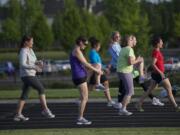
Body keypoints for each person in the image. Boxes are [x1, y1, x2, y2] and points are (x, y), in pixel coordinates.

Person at [14, 35, 55, 122]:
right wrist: (34, 67)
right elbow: (23, 64)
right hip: (27, 75)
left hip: (31, 75)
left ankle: (18, 115)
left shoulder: (30, 50)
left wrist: (38, 62)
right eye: (31, 41)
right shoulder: (23, 51)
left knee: (24, 95)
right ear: (26, 42)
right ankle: (45, 110)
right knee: (41, 88)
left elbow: (34, 61)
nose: (33, 42)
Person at [136, 36, 180, 112]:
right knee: (169, 90)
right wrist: (161, 72)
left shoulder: (156, 51)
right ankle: (176, 107)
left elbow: (157, 63)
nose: (162, 43)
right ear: (157, 43)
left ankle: (139, 103)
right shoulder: (156, 52)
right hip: (159, 75)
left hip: (156, 74)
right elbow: (153, 64)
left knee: (149, 90)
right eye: (161, 42)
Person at [69, 36, 102, 125]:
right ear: (80, 42)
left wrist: (95, 68)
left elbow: (85, 64)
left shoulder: (78, 50)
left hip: (81, 75)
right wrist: (96, 70)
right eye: (85, 44)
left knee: (84, 97)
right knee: (85, 98)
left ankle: (78, 102)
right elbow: (85, 63)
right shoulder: (77, 51)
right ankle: (80, 118)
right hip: (79, 76)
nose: (86, 46)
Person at [117, 35, 143, 115]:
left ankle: (122, 108)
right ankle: (122, 109)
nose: (134, 41)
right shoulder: (129, 49)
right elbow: (130, 63)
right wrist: (138, 60)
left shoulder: (123, 49)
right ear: (129, 41)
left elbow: (128, 63)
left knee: (128, 91)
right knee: (130, 92)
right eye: (132, 40)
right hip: (125, 72)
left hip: (122, 71)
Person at [88, 37, 115, 107]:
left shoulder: (95, 53)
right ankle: (80, 99)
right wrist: (104, 69)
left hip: (99, 72)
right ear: (95, 46)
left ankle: (109, 101)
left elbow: (100, 63)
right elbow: (96, 64)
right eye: (99, 46)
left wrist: (105, 67)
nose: (100, 47)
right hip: (96, 72)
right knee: (90, 88)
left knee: (105, 83)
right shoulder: (93, 53)